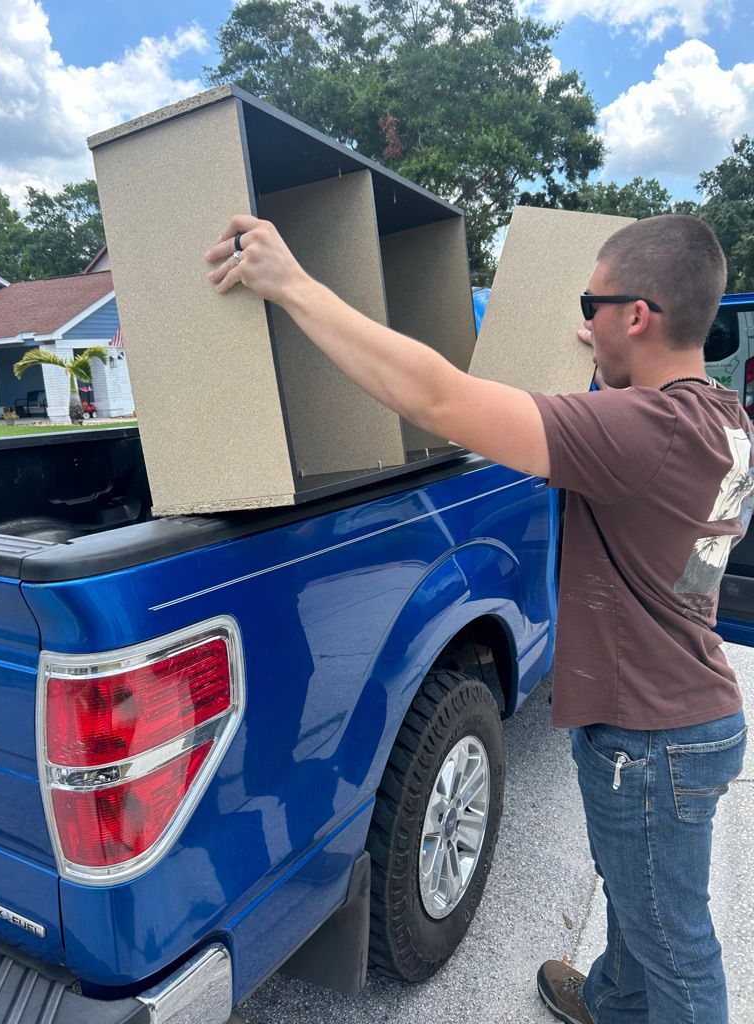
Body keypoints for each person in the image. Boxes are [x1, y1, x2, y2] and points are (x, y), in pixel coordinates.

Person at [204, 213, 750, 1024]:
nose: (583, 321)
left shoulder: (644, 432)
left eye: (592, 304)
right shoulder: (722, 418)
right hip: (689, 712)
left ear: (637, 315)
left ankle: (643, 1001)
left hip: (649, 741)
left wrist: (292, 283)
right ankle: (611, 999)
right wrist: (608, 360)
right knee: (642, 893)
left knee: (677, 947)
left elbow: (434, 396)